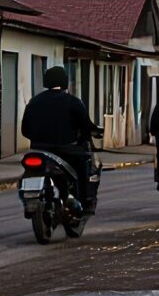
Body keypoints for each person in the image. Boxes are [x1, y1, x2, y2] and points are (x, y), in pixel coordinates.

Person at [19, 64, 99, 213]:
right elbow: (86, 125)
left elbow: (25, 130)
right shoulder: (73, 102)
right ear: (64, 82)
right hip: (66, 151)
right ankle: (84, 201)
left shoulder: (34, 102)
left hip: (39, 149)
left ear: (46, 81)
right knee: (84, 168)